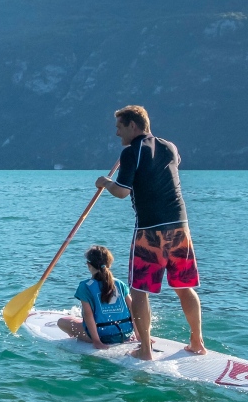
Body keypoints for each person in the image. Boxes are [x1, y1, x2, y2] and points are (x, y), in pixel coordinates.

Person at [94, 105, 204, 360]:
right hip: (180, 227)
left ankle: (145, 350)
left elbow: (122, 191)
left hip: (149, 231)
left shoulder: (131, 152)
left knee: (139, 291)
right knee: (184, 287)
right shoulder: (170, 147)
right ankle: (197, 342)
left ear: (133, 125)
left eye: (119, 127)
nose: (116, 134)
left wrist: (105, 182)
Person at [58, 245, 134, 348]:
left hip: (103, 337)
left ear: (89, 265)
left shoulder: (85, 286)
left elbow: (88, 315)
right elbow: (134, 310)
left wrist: (97, 341)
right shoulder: (120, 284)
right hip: (125, 333)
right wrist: (139, 335)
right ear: (109, 264)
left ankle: (80, 337)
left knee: (62, 321)